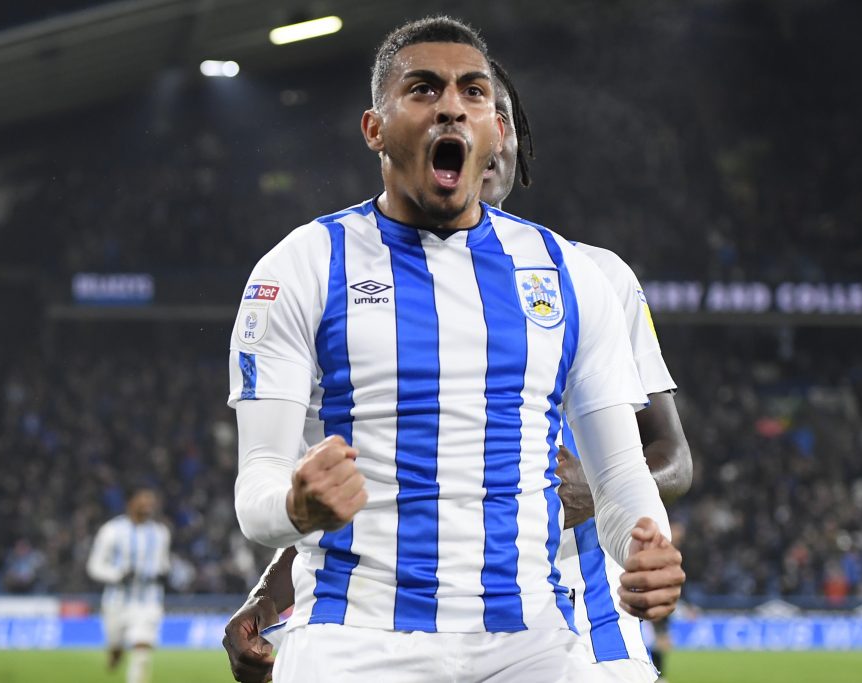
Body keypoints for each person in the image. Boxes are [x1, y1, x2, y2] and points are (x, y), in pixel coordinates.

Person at [229, 16, 683, 682]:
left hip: (530, 639)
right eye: (423, 89)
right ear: (374, 129)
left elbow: (620, 483)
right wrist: (293, 509)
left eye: (473, 91)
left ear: (496, 128)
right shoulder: (300, 268)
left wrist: (648, 544)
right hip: (355, 637)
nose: (451, 104)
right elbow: (258, 482)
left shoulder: (572, 277)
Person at [87, 486, 171, 683]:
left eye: (150, 501)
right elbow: (94, 566)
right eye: (143, 500)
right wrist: (117, 575)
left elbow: (164, 563)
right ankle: (115, 652)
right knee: (116, 644)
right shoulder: (111, 531)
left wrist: (164, 573)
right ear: (130, 502)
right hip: (116, 601)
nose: (148, 505)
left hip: (149, 601)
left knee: (142, 650)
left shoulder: (161, 533)